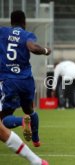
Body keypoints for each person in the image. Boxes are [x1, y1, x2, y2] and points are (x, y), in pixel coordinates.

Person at [0, 10, 51, 147]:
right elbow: (32, 47)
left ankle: (21, 121)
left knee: (4, 117)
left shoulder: (3, 32)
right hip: (26, 80)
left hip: (8, 80)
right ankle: (36, 140)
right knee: (29, 109)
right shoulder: (27, 35)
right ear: (24, 22)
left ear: (11, 22)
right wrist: (45, 51)